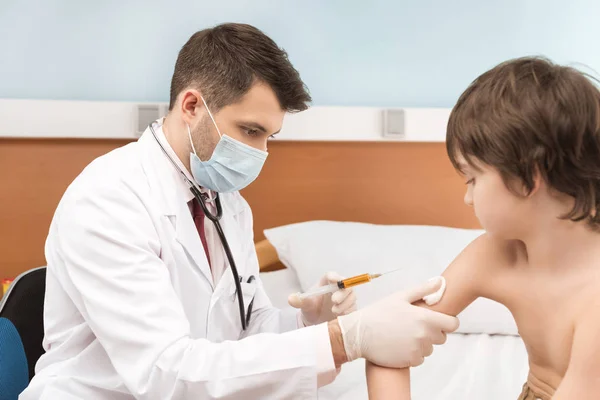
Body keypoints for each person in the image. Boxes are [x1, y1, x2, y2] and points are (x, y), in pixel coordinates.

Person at [20, 23, 459, 399]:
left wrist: (308, 320)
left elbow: (243, 331)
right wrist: (341, 341)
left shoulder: (227, 205)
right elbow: (165, 374)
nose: (261, 152)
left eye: (270, 136)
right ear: (192, 106)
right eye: (250, 130)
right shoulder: (109, 199)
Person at [366, 56, 600, 400]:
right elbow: (390, 343)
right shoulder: (493, 254)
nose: (468, 198)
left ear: (527, 177)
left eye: (472, 179)